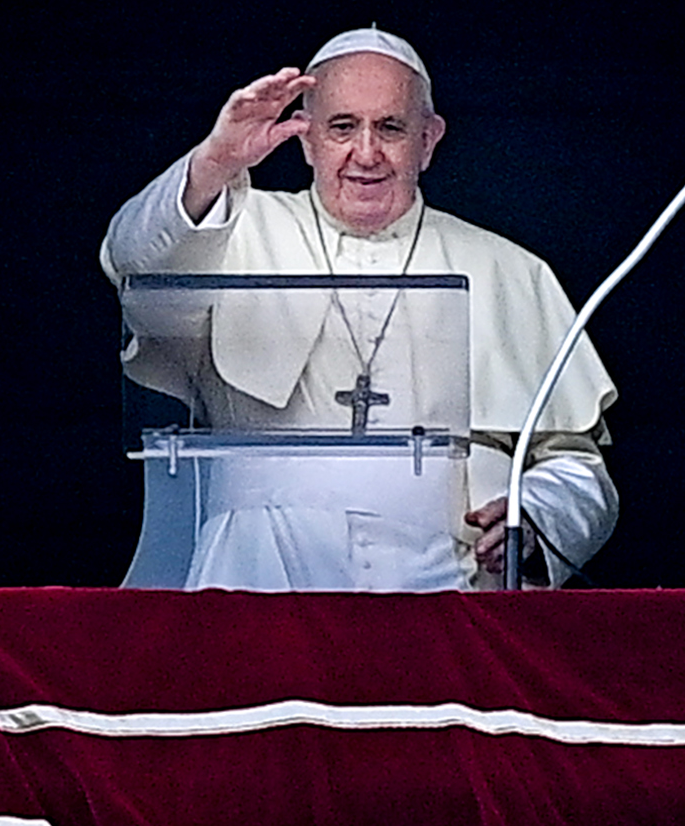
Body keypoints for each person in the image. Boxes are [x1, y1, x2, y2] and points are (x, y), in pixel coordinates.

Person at [101, 29, 622, 591]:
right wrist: (214, 162)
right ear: (306, 139)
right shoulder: (229, 227)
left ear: (429, 139)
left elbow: (577, 466)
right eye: (342, 127)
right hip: (260, 577)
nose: (366, 153)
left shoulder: (510, 269)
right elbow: (134, 265)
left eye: (391, 128)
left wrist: (537, 515)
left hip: (451, 582)